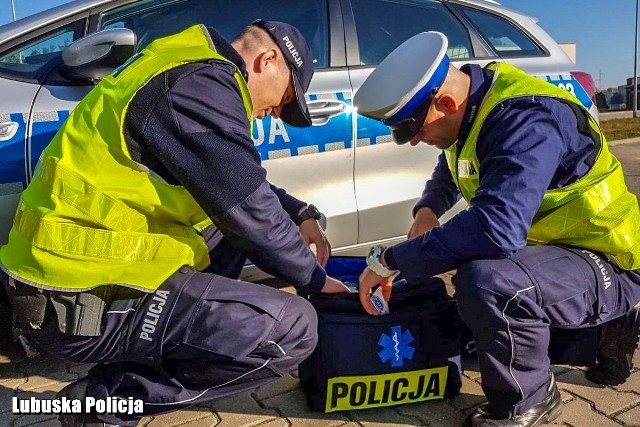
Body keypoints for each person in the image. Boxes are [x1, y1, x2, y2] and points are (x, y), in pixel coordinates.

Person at [0, 20, 349, 427]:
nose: (276, 114)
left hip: (68, 273)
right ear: (268, 59)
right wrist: (314, 281)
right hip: (73, 299)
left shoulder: (185, 65)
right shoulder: (201, 86)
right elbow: (249, 209)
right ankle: (102, 404)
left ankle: (178, 344)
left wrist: (299, 212)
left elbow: (231, 183)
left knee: (231, 229)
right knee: (292, 329)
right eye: (284, 99)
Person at [353, 32, 640, 427]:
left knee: (487, 283)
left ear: (446, 102)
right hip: (552, 250)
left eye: (417, 130)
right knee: (482, 323)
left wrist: (389, 260)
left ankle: (530, 399)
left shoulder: (526, 121)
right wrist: (427, 211)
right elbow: (455, 162)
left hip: (607, 257)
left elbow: (496, 229)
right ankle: (592, 335)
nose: (418, 141)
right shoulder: (477, 102)